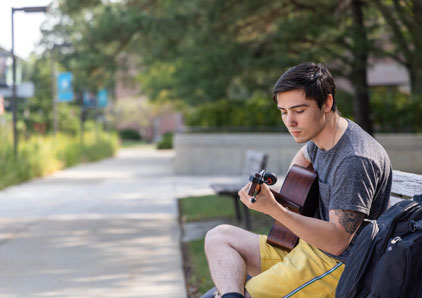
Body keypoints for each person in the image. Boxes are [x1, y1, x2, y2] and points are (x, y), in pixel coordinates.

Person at [202, 62, 392, 298]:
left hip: (335, 267)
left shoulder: (354, 159)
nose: (290, 122)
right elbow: (301, 163)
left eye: (299, 111)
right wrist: (283, 192)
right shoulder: (320, 140)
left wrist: (274, 209)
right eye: (283, 111)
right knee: (219, 237)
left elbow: (337, 241)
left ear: (327, 103)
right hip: (303, 246)